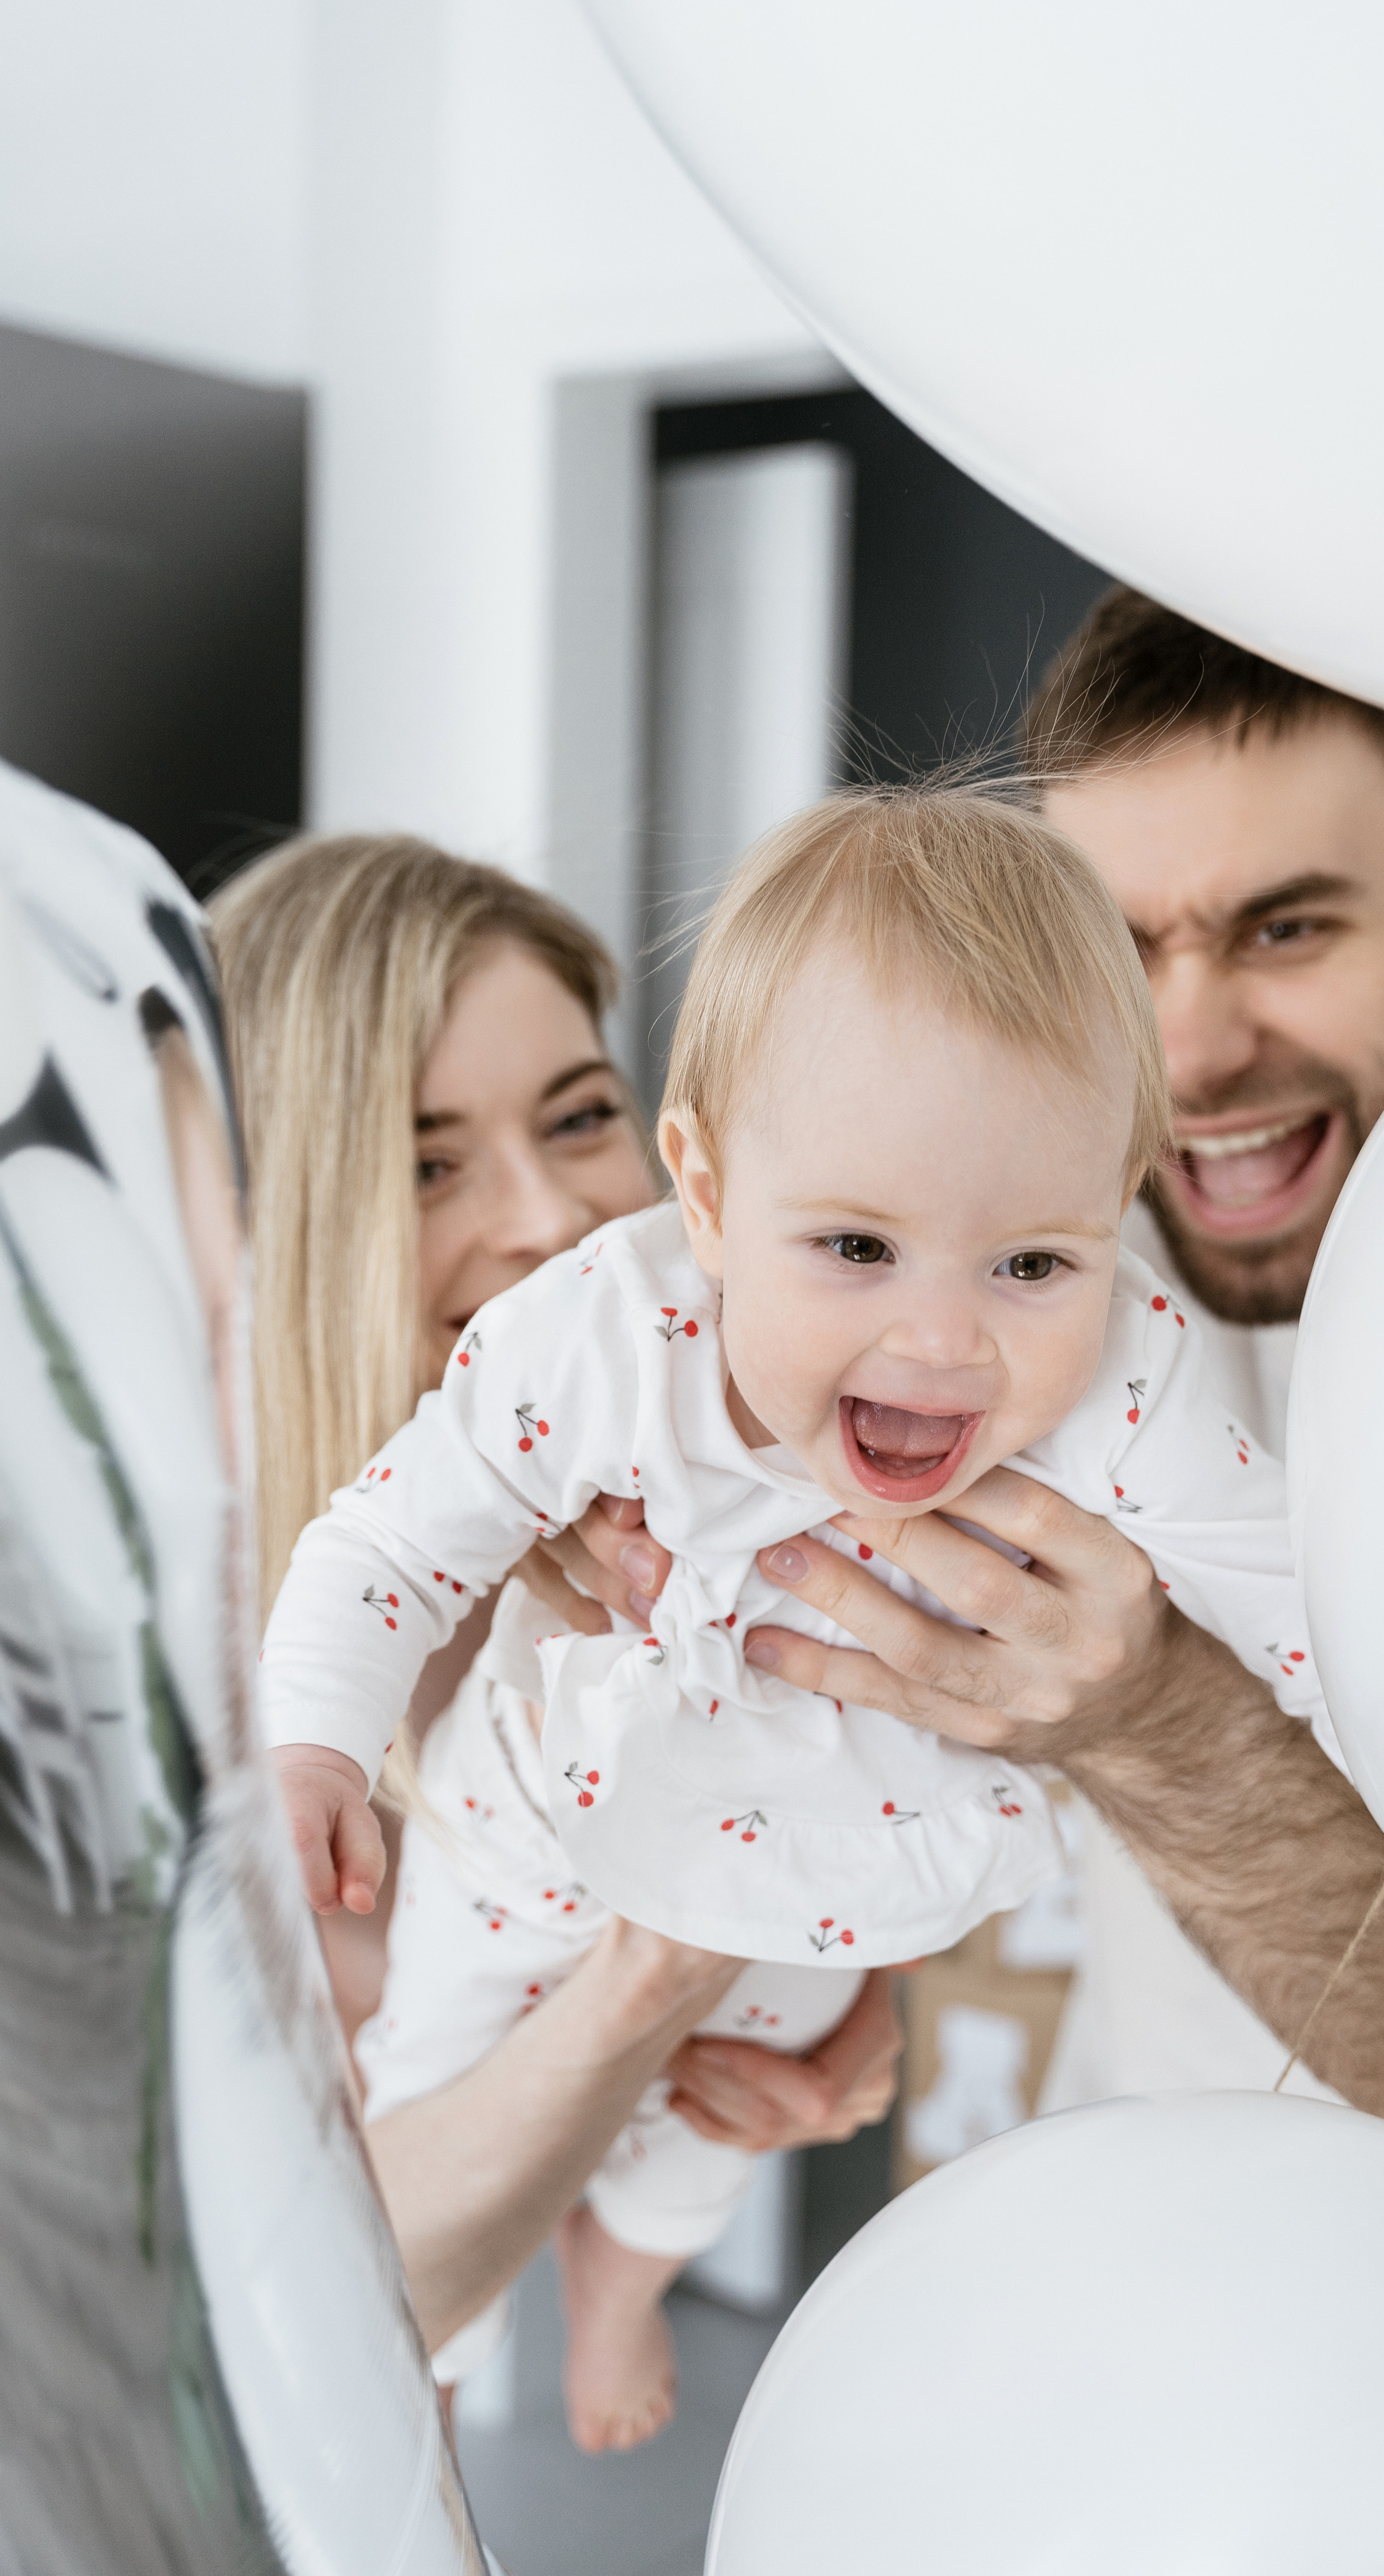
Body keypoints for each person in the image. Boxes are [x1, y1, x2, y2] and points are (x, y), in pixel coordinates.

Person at [262, 785, 1348, 2445]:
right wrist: (318, 1742)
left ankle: (621, 2288)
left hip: (805, 1844)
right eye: (425, 1159)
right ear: (706, 1188)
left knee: (758, 2075)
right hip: (527, 1840)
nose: (944, 1341)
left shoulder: (1105, 1381)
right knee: (441, 2132)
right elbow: (383, 1556)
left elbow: (1289, 1598)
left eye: (573, 1117)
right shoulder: (590, 1352)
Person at [558, 594, 1384, 2260]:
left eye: (1283, 930)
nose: (1183, 1049)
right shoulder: (1041, 1310)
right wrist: (832, 1998)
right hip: (1157, 2352)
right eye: (1113, 952)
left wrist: (1155, 1725)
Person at [206, 834, 899, 2427]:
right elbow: (309, 2319)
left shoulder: (659, 1532)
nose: (549, 1219)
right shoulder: (197, 1717)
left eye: (581, 1118)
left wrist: (823, 2022)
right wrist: (665, 1968)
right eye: (426, 1161)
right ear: (284, 1227)